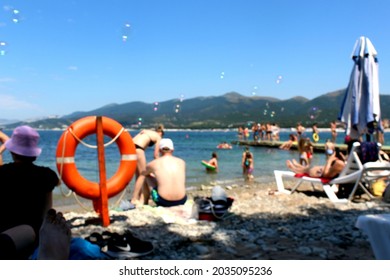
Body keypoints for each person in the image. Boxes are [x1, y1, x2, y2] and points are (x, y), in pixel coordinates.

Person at [0, 126, 60, 259]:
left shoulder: (4, 173)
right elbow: (48, 212)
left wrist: (5, 145)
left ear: (12, 151)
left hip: (6, 234)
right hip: (35, 236)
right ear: (34, 153)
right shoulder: (47, 175)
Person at [130, 138, 187, 207]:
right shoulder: (182, 162)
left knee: (145, 175)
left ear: (160, 150)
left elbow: (141, 176)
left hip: (163, 201)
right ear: (172, 150)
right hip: (182, 200)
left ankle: (140, 200)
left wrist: (134, 197)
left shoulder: (154, 164)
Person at [131, 125, 165, 203]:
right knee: (143, 174)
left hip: (130, 148)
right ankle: (136, 199)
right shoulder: (158, 137)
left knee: (139, 176)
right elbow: (156, 155)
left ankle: (140, 198)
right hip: (138, 149)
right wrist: (162, 165)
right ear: (161, 133)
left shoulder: (146, 131)